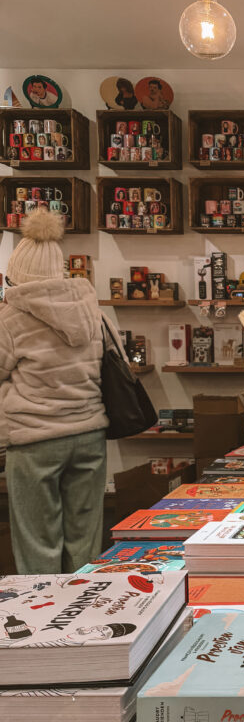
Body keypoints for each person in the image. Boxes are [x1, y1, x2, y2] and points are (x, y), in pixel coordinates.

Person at [0, 210, 108, 574]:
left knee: (38, 545)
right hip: (90, 433)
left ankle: (45, 608)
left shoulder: (9, 319)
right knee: (85, 543)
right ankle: (88, 603)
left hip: (36, 439)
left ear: (17, 272)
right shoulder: (89, 310)